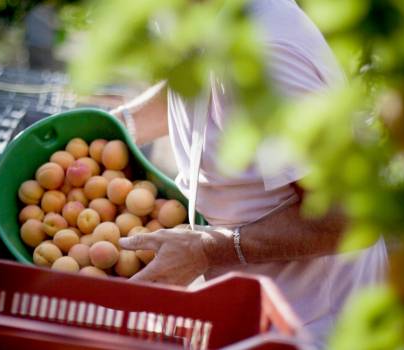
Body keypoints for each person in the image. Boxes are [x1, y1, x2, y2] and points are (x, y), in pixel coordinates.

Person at [110, 0, 388, 347]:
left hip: (310, 323)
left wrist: (208, 249)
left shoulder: (270, 58)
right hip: (250, 306)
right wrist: (120, 127)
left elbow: (345, 218)